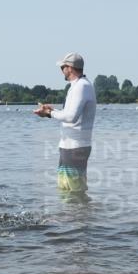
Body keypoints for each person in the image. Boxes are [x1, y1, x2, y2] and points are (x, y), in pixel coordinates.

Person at [33, 52, 96, 193]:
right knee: (66, 189)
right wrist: (51, 112)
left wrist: (49, 113)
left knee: (73, 191)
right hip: (71, 146)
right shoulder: (78, 85)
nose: (61, 70)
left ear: (70, 68)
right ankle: (76, 208)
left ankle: (80, 208)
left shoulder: (81, 86)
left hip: (75, 147)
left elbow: (71, 117)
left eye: (62, 67)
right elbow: (69, 113)